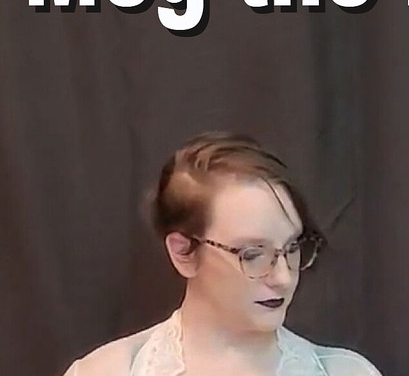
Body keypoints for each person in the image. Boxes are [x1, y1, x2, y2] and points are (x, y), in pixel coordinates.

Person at [62, 131, 382, 376]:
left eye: (292, 248)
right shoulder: (107, 371)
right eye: (253, 254)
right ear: (184, 252)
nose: (284, 277)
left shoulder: (346, 373)